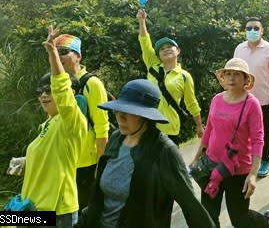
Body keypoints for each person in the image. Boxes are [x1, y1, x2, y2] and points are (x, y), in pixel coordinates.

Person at [79, 79, 215, 228]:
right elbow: (98, 198)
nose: (120, 117)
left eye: (129, 112)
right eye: (118, 110)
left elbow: (191, 205)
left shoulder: (164, 151)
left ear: (146, 116)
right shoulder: (116, 139)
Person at [14, 27, 86, 228]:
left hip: (56, 211)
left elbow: (62, 91)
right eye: (41, 91)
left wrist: (53, 53)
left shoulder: (72, 121)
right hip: (33, 208)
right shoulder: (47, 124)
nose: (44, 95)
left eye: (49, 90)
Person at [191, 58, 269, 228]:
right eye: (228, 74)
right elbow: (209, 131)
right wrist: (198, 156)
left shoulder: (252, 104)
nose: (232, 78)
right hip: (212, 166)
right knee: (208, 215)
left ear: (245, 79)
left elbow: (258, 139)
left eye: (237, 74)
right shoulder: (216, 99)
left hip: (238, 169)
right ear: (223, 78)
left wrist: (252, 174)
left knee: (240, 219)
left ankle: (264, 222)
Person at [53, 33, 109, 212]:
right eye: (55, 52)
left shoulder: (91, 83)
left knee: (84, 212)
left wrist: (99, 168)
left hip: (86, 162)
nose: (59, 57)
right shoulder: (55, 84)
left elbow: (102, 129)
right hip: (64, 162)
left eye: (64, 51)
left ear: (78, 55)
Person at [137, 9, 204, 144]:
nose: (166, 49)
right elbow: (145, 43)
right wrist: (142, 21)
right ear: (158, 55)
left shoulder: (184, 76)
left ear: (178, 51)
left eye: (170, 46)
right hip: (148, 126)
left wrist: (198, 125)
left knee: (169, 164)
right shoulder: (153, 66)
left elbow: (191, 103)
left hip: (170, 128)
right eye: (162, 49)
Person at [233, 17, 269, 178]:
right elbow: (234, 72)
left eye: (255, 28)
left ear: (262, 31)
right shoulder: (239, 49)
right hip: (241, 99)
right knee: (241, 132)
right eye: (248, 28)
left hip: (263, 99)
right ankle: (243, 159)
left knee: (263, 133)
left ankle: (265, 160)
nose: (252, 31)